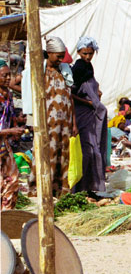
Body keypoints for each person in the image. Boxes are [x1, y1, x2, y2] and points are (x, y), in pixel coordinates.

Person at [26, 38, 76, 198]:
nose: (61, 60)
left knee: (63, 155)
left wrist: (74, 123)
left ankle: (59, 190)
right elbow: (28, 92)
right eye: (58, 56)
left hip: (65, 124)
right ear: (49, 53)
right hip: (47, 123)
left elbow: (70, 98)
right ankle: (40, 189)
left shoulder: (65, 71)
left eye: (62, 56)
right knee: (46, 153)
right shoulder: (40, 72)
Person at [71, 36, 108, 194]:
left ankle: (91, 186)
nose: (87, 56)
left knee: (95, 148)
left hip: (91, 114)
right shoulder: (78, 69)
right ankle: (81, 187)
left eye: (90, 53)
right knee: (87, 150)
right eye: (85, 53)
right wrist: (87, 102)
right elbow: (70, 94)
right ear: (79, 52)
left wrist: (96, 93)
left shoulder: (88, 67)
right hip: (82, 114)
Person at [1, 59, 24, 209]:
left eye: (9, 75)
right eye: (5, 75)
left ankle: (6, 215)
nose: (9, 78)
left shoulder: (8, 95)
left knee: (12, 180)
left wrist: (16, 126)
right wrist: (10, 131)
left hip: (4, 145)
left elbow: (10, 117)